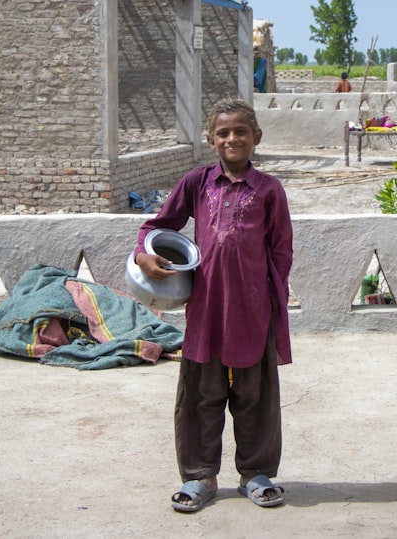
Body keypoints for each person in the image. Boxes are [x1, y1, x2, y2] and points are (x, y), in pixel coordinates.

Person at [133, 97, 294, 513]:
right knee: (201, 396)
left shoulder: (269, 190)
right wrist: (143, 255)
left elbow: (281, 252)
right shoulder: (197, 183)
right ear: (211, 140)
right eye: (223, 132)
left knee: (254, 396)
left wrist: (268, 301)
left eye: (241, 131)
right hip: (205, 311)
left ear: (256, 137)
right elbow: (157, 226)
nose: (232, 138)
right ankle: (199, 476)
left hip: (252, 313)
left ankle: (255, 474)